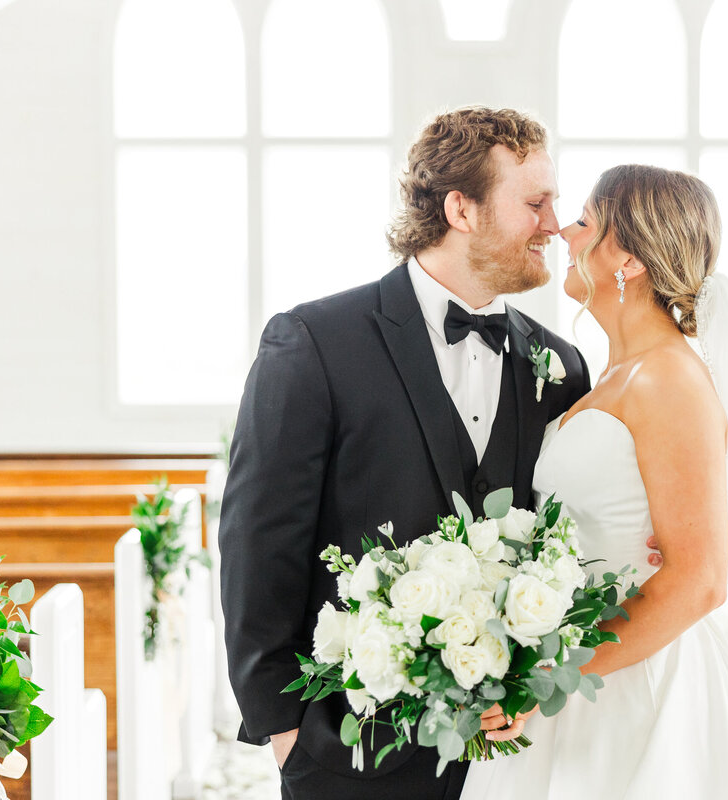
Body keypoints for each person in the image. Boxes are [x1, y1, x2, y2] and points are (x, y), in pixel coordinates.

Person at [218, 107, 601, 799]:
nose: (555, 224)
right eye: (536, 203)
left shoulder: (560, 363)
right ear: (462, 208)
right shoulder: (314, 341)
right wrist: (284, 729)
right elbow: (259, 538)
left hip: (515, 752)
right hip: (350, 742)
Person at [460, 165, 728, 799]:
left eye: (585, 222)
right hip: (582, 669)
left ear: (627, 255)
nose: (565, 233)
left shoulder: (669, 379)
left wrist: (548, 678)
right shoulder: (612, 376)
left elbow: (702, 579)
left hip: (639, 687)